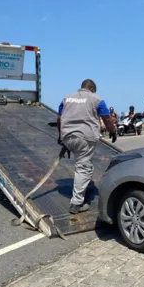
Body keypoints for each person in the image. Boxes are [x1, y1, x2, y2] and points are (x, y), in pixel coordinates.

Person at [57, 79, 117, 214]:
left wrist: (62, 137)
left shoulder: (67, 98)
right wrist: (113, 131)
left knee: (84, 164)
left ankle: (85, 185)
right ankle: (76, 203)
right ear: (92, 89)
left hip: (68, 136)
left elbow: (59, 118)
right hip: (85, 138)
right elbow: (107, 119)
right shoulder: (96, 99)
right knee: (83, 167)